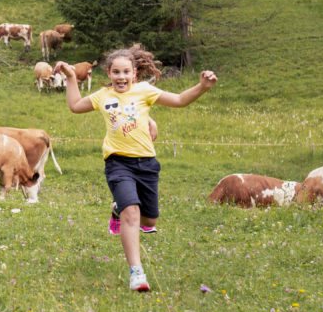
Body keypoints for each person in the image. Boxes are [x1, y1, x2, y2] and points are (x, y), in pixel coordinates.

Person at [56, 43, 216, 291]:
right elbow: (75, 105)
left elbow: (180, 100)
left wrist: (202, 87)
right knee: (132, 213)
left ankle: (117, 209)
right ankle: (136, 273)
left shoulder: (145, 91)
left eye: (126, 72)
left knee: (149, 220)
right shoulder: (102, 96)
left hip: (147, 164)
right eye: (116, 72)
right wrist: (69, 77)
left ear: (135, 73)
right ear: (108, 73)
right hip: (118, 162)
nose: (121, 77)